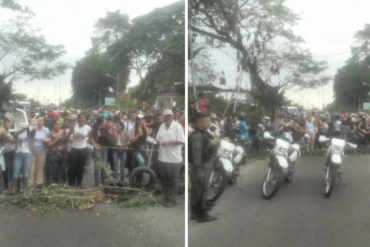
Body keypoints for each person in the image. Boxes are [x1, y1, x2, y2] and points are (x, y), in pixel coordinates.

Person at [189, 113, 218, 222]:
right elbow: (197, 155)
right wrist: (199, 170)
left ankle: (195, 213)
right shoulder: (197, 136)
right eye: (207, 121)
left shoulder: (203, 132)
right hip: (200, 166)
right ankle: (202, 214)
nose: (209, 123)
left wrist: (212, 142)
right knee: (202, 190)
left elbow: (210, 141)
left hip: (202, 165)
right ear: (200, 123)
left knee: (196, 190)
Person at [156, 109, 185, 207]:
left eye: (169, 116)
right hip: (162, 158)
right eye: (166, 116)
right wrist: (153, 142)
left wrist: (169, 143)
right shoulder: (161, 126)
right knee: (164, 180)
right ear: (163, 118)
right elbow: (158, 139)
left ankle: (173, 200)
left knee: (173, 181)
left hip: (174, 160)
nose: (168, 118)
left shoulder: (177, 126)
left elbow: (182, 141)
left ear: (172, 117)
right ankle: (166, 198)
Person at [68, 113, 91, 187]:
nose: (82, 119)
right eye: (80, 118)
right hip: (74, 149)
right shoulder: (74, 127)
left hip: (83, 149)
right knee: (72, 167)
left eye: (83, 118)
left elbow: (89, 138)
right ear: (78, 119)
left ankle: (79, 183)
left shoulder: (88, 128)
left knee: (81, 167)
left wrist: (91, 142)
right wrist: (70, 132)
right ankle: (71, 183)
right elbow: (69, 137)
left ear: (86, 120)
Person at [29, 116, 49, 186]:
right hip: (32, 151)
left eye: (41, 121)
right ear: (36, 122)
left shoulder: (46, 130)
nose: (40, 122)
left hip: (42, 151)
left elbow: (49, 138)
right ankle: (30, 183)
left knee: (40, 168)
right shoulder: (33, 129)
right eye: (38, 121)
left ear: (43, 122)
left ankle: (39, 183)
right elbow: (29, 139)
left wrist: (46, 140)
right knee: (31, 168)